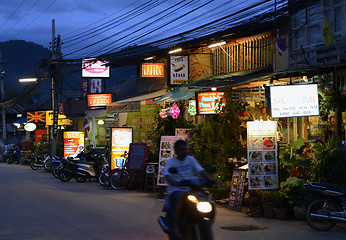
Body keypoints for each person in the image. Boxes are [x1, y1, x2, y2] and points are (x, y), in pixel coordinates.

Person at [163, 140, 212, 235]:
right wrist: (176, 183)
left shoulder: (191, 160)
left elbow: (200, 171)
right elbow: (167, 175)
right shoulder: (171, 162)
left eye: (185, 149)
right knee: (181, 199)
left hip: (191, 188)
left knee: (206, 198)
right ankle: (176, 225)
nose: (183, 152)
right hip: (176, 190)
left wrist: (209, 179)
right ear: (176, 151)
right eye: (181, 150)